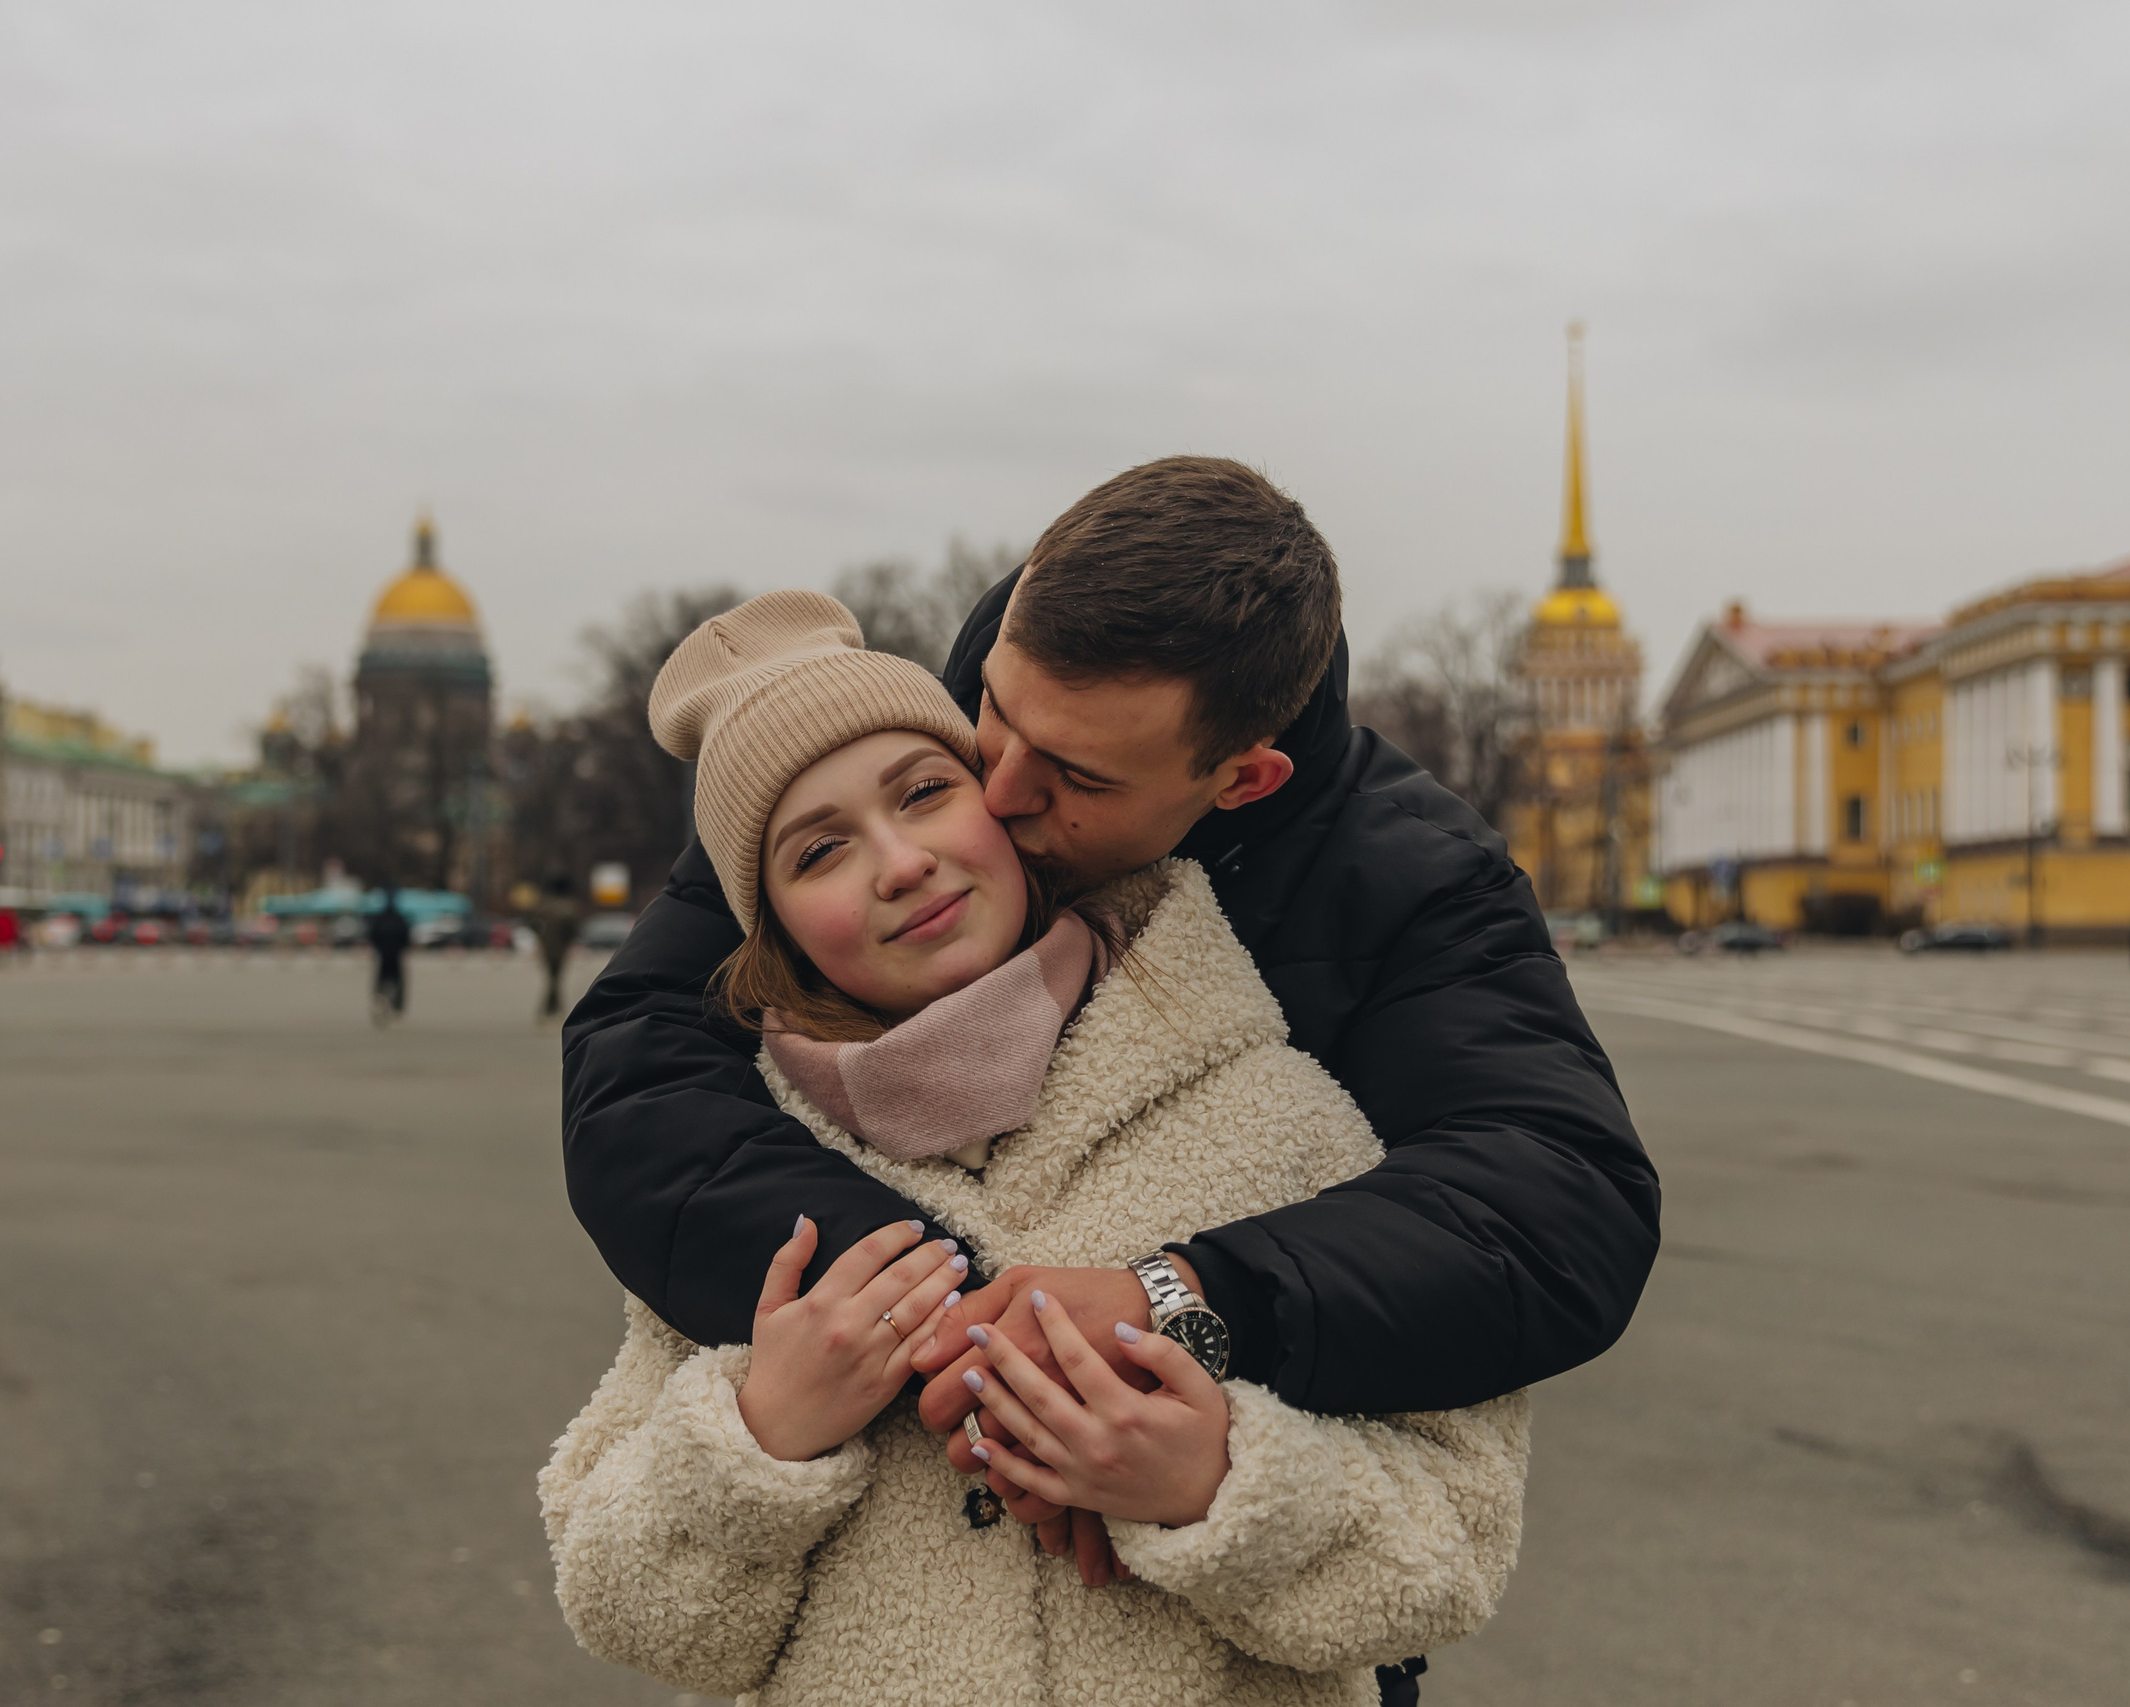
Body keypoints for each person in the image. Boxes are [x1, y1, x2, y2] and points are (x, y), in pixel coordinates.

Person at [563, 461, 1657, 1678]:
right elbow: (638, 1071)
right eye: (994, 720)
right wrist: (932, 1336)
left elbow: (1551, 1205)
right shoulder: (888, 754)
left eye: (1076, 777)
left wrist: (1180, 1340)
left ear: (1241, 779)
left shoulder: (1376, 953)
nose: (999, 793)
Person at [531, 876, 581, 1019]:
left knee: (552, 977)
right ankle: (553, 1007)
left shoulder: (543, 906)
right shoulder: (568, 907)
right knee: (556, 977)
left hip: (547, 946)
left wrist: (540, 938)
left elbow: (533, 923)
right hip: (561, 947)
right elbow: (573, 929)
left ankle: (551, 1007)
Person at [368, 888, 412, 1022]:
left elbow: (373, 935)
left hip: (383, 954)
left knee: (381, 980)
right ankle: (396, 1006)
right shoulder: (399, 918)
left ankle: (380, 999)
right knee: (398, 981)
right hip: (395, 954)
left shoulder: (380, 918)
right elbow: (406, 937)